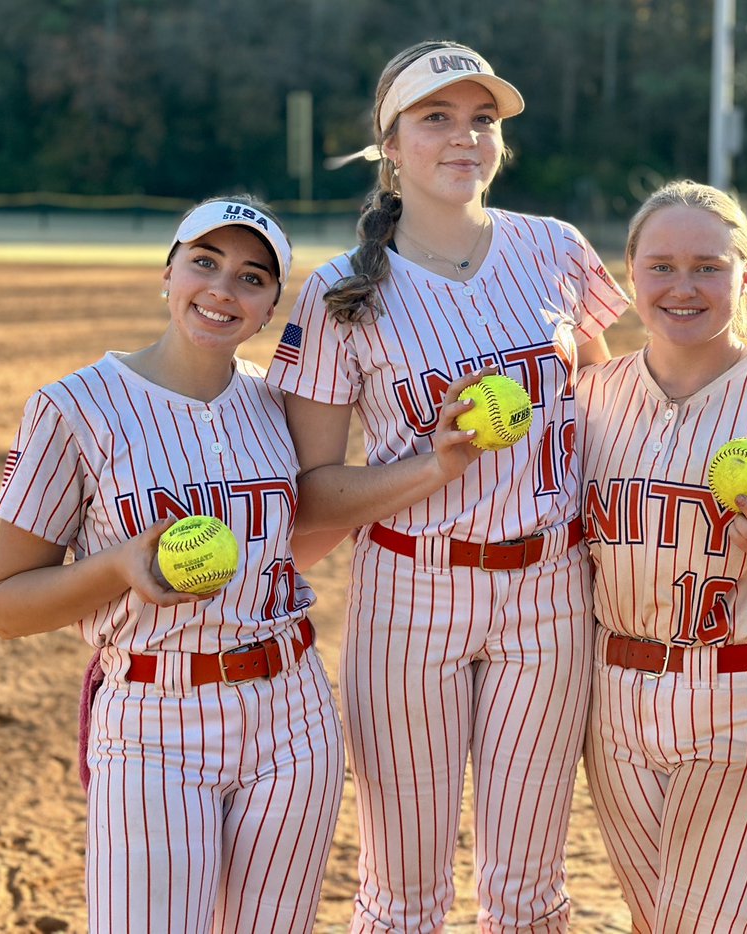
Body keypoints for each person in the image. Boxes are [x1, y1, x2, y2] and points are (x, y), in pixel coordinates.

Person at [265, 40, 628, 932]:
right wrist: (433, 466)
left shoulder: (556, 249)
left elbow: (610, 417)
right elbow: (311, 493)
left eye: (482, 119)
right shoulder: (343, 291)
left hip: (549, 590)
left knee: (529, 888)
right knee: (404, 890)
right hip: (410, 589)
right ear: (390, 144)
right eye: (437, 118)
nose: (465, 137)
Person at [0, 196, 346, 933]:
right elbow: (7, 606)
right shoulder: (74, 407)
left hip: (295, 714)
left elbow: (301, 530)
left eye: (252, 277)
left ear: (273, 303)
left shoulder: (274, 405)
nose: (222, 289)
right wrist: (117, 565)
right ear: (168, 271)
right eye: (204, 263)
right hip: (154, 717)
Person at [575, 180, 747, 930]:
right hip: (616, 697)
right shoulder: (593, 400)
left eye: (708, 266)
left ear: (746, 276)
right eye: (660, 266)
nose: (682, 286)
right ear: (631, 278)